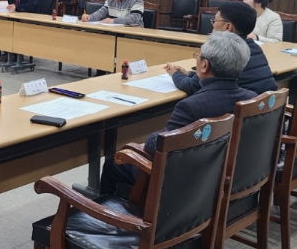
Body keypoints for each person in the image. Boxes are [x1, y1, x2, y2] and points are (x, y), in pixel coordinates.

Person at [100, 31, 257, 195]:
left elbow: (159, 146)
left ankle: (108, 209)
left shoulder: (191, 107)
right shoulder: (251, 99)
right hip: (223, 176)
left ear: (204, 65)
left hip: (185, 185)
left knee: (114, 163)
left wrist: (151, 137)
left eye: (198, 56)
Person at [165, 1, 277, 95]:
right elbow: (218, 78)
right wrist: (189, 74)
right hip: (263, 109)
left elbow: (192, 86)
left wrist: (174, 74)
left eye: (215, 21)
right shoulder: (255, 48)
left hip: (237, 111)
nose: (213, 25)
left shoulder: (223, 51)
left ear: (228, 26)